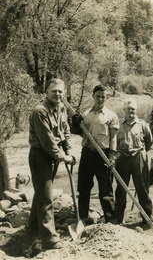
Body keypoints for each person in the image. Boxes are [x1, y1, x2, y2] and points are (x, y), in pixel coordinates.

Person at [27, 78, 75, 251]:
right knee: (46, 197)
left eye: (61, 91)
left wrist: (68, 150)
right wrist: (63, 157)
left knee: (41, 192)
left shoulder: (61, 108)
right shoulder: (40, 111)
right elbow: (48, 142)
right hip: (40, 156)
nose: (58, 94)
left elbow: (66, 130)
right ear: (46, 92)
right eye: (54, 91)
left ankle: (32, 227)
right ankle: (49, 239)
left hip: (53, 156)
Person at [77, 85, 119, 224]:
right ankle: (83, 218)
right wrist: (75, 123)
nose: (101, 99)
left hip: (103, 155)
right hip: (87, 153)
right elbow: (78, 131)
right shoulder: (85, 114)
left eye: (103, 97)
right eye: (98, 96)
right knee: (83, 187)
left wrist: (112, 156)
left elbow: (113, 137)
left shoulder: (111, 115)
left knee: (106, 190)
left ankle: (111, 221)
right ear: (93, 96)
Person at [114, 99, 153, 225]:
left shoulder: (143, 124)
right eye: (128, 109)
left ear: (136, 111)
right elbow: (114, 143)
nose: (130, 111)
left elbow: (149, 142)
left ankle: (147, 218)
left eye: (133, 109)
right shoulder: (118, 126)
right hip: (122, 160)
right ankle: (119, 219)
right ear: (124, 110)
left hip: (138, 158)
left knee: (142, 188)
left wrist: (140, 153)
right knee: (121, 189)